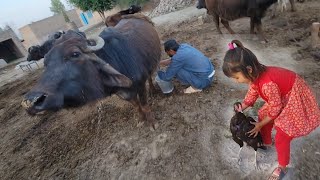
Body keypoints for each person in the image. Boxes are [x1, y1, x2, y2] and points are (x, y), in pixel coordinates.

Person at [222, 40, 320, 180]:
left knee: (282, 136)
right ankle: (266, 141)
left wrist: (260, 125)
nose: (236, 81)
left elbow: (275, 109)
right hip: (281, 96)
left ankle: (283, 167)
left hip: (293, 97)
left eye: (237, 77)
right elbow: (253, 91)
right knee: (262, 113)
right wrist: (244, 105)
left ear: (248, 70)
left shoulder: (267, 84)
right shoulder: (256, 75)